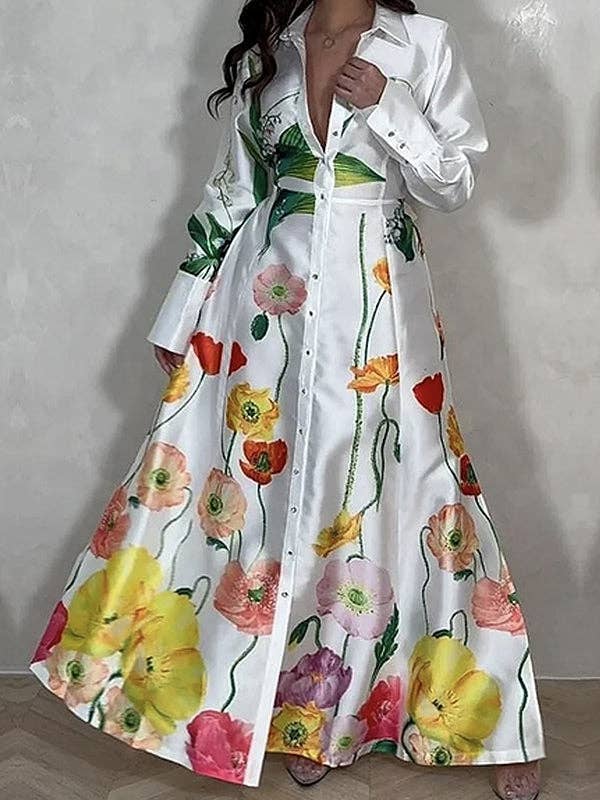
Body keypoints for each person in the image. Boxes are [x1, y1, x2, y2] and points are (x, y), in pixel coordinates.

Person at [29, 1, 545, 797]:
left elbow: (454, 184)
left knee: (413, 492)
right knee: (276, 502)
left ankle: (489, 720)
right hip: (268, 304)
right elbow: (231, 192)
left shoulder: (423, 44)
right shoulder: (270, 51)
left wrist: (390, 105)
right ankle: (309, 712)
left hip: (380, 310)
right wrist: (182, 309)